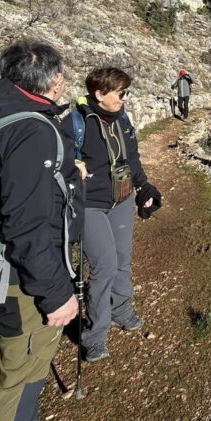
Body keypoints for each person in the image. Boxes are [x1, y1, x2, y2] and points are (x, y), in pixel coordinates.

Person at [0, 40, 81, 421]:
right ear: (54, 82)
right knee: (24, 376)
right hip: (18, 279)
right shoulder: (33, 130)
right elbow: (29, 227)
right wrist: (57, 295)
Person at [75, 67, 150, 363]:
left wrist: (144, 185)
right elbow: (60, 158)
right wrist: (73, 165)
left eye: (126, 92)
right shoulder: (76, 121)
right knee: (104, 265)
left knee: (122, 259)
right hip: (88, 204)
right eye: (120, 93)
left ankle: (121, 311)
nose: (124, 98)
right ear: (99, 94)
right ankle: (94, 336)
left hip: (121, 199)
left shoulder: (122, 118)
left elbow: (131, 156)